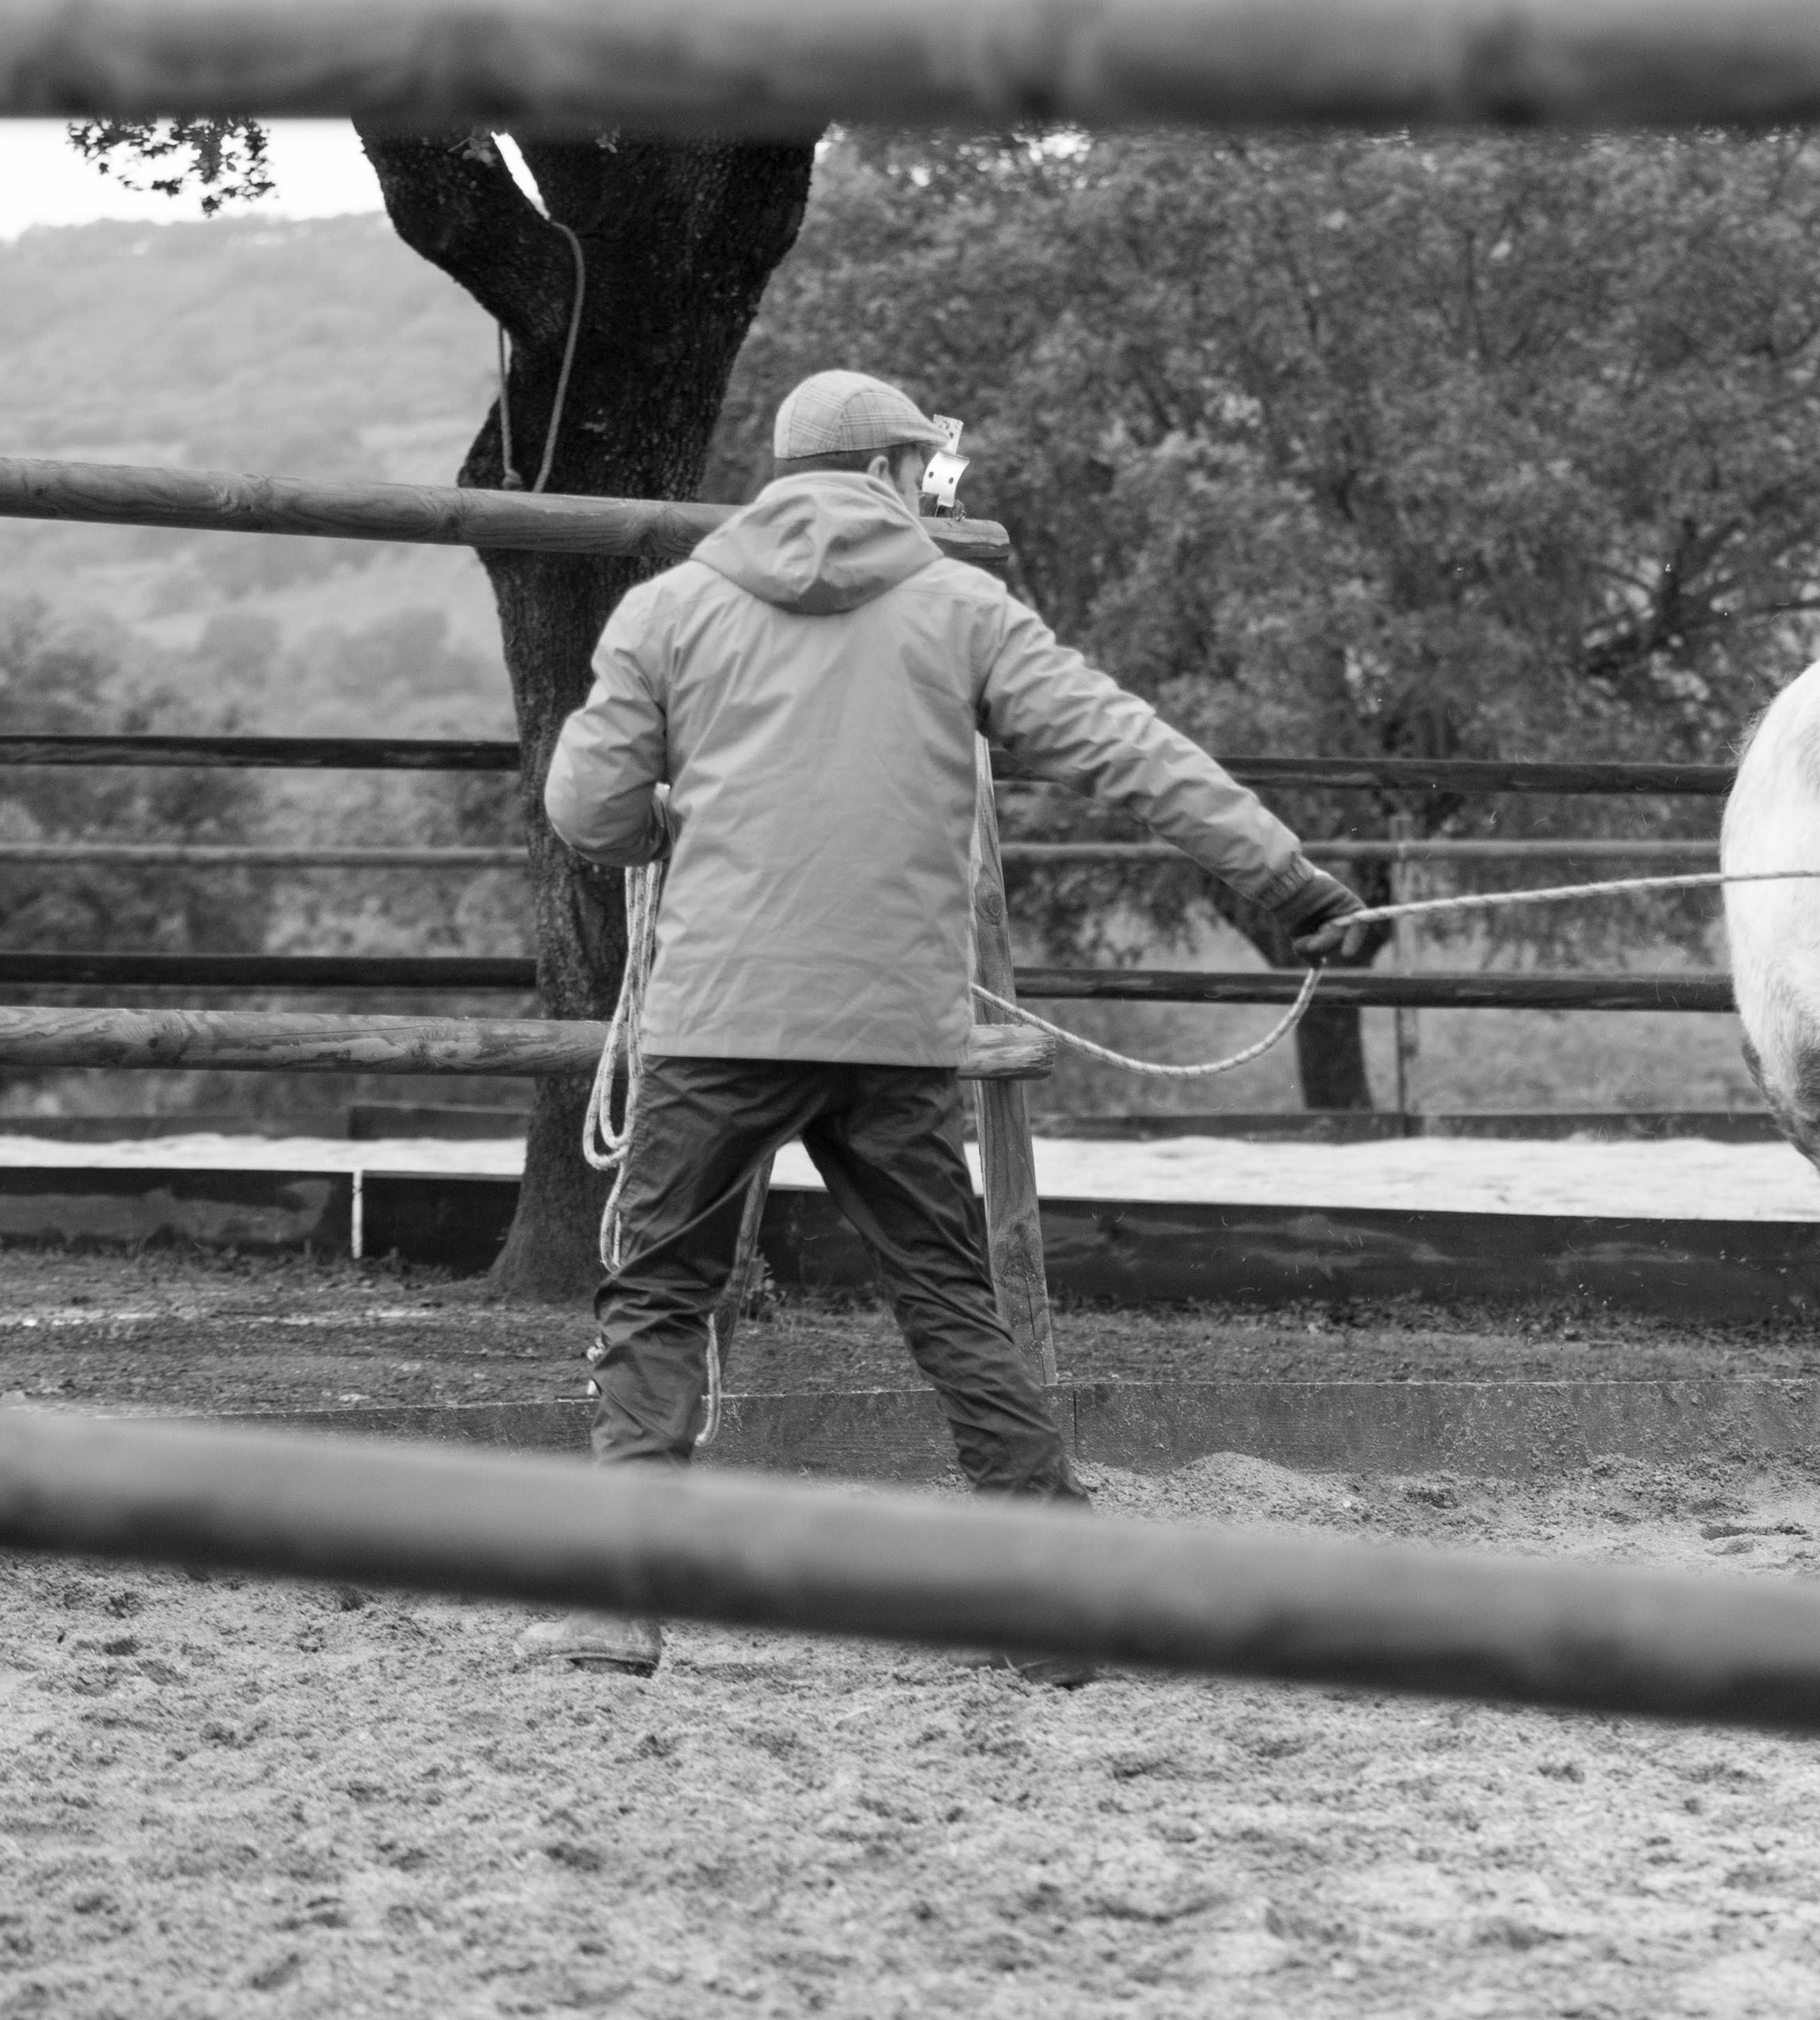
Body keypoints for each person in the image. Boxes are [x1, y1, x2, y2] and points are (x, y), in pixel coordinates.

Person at [515, 369, 1366, 1678]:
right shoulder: (964, 607)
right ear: (891, 473)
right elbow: (1126, 747)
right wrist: (1286, 880)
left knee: (656, 1299)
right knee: (950, 1305)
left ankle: (617, 1605)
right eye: (924, 469)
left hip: (716, 1020)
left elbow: (586, 810)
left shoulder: (667, 608)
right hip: (894, 1027)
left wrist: (659, 831)